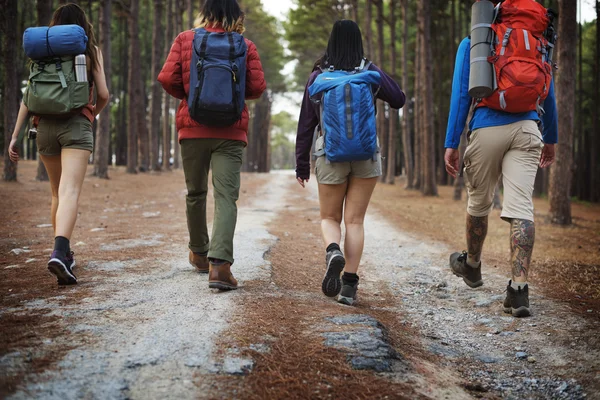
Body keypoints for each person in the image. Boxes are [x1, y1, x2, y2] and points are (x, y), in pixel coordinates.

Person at [444, 27, 558, 316]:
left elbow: (461, 95)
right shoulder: (536, 41)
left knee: (479, 202)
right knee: (521, 207)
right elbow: (549, 89)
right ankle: (519, 290)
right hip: (528, 128)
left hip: (487, 126)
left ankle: (471, 265)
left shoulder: (475, 40)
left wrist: (452, 142)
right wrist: (551, 138)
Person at [295, 20, 405, 306]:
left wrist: (301, 165)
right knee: (355, 221)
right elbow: (399, 99)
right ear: (358, 43)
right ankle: (349, 287)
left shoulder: (319, 75)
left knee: (329, 218)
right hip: (366, 155)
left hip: (331, 156)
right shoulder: (370, 71)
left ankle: (333, 250)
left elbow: (306, 123)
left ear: (331, 42)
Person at [158, 0, 266, 290]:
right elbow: (256, 88)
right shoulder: (245, 45)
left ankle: (199, 253)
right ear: (236, 16)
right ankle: (219, 267)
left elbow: (167, 78)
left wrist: (193, 96)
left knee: (196, 192)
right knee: (225, 197)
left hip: (192, 128)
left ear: (206, 13)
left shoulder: (185, 39)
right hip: (230, 131)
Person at [8, 3, 109, 285]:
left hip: (44, 127)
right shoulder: (90, 51)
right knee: (70, 190)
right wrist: (92, 114)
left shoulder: (43, 54)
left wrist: (15, 135)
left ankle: (63, 252)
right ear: (81, 26)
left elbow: (29, 97)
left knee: (56, 192)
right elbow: (103, 93)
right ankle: (60, 252)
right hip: (76, 124)